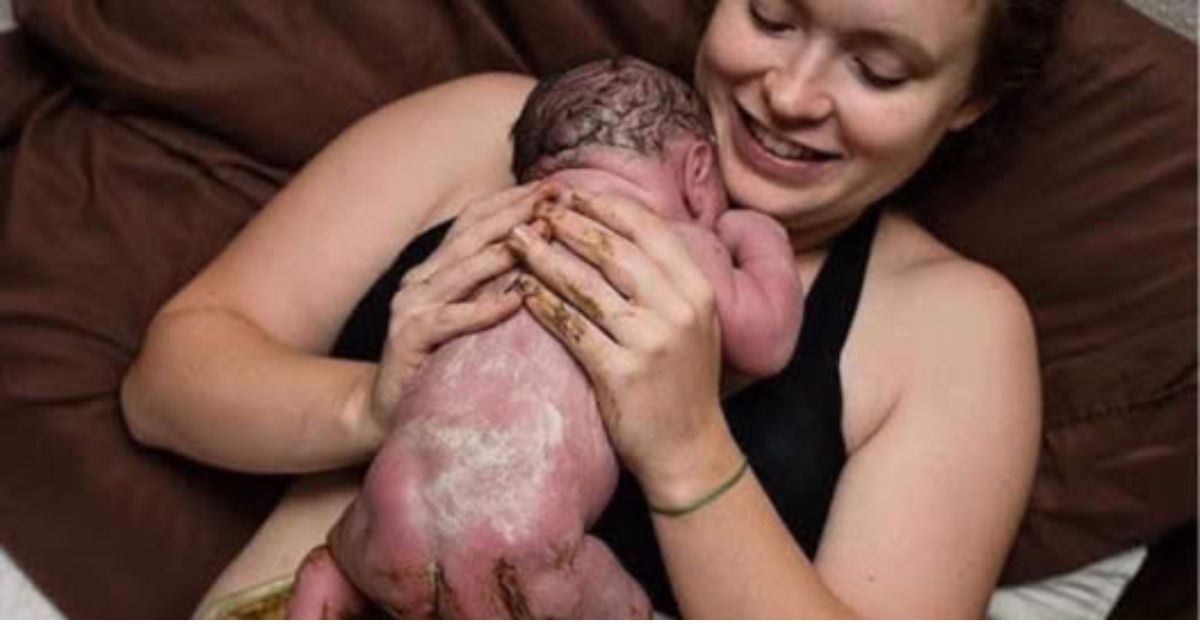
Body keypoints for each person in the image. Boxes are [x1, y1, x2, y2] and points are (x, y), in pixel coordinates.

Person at [121, 0, 1060, 618]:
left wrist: (686, 444)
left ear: (969, 98)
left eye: (880, 72)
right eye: (771, 16)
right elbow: (164, 389)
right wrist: (369, 405)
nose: (788, 92)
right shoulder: (484, 136)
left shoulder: (953, 328)